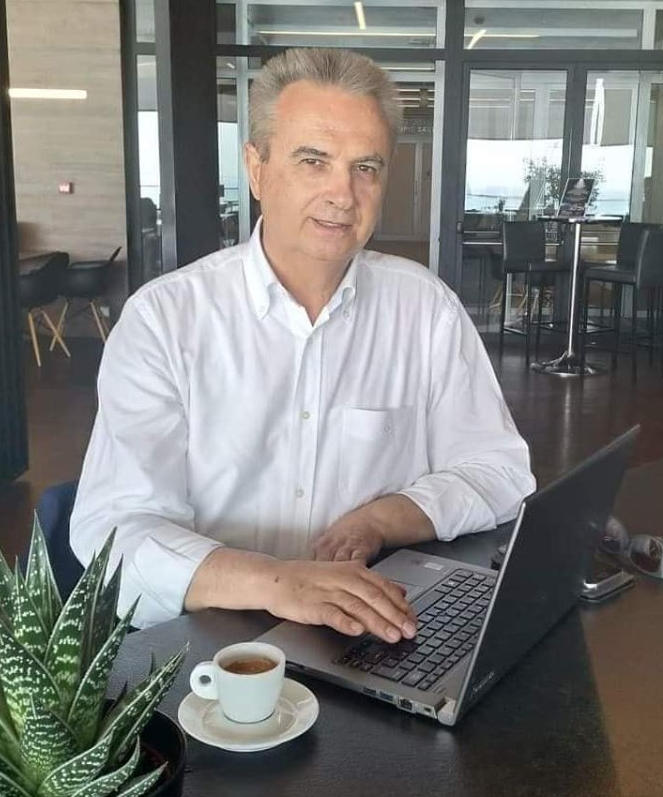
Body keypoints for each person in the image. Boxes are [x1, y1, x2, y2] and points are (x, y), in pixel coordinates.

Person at [69, 48, 535, 638]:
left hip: (373, 626)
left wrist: (381, 520)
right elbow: (115, 528)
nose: (343, 194)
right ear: (256, 168)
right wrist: (279, 583)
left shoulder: (425, 309)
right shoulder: (165, 319)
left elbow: (499, 472)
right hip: (214, 642)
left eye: (366, 167)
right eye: (313, 161)